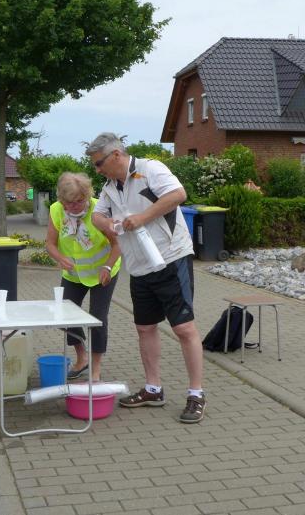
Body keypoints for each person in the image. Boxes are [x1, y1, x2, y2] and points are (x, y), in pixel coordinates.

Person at [87, 132, 206, 424]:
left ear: (116, 155)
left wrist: (142, 217)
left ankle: (196, 394)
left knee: (184, 328)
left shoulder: (150, 169)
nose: (97, 170)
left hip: (171, 257)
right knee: (144, 327)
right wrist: (108, 223)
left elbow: (178, 195)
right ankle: (153, 389)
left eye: (99, 163)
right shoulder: (109, 188)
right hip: (139, 266)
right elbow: (96, 216)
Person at [45, 172, 121, 382]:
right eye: (69, 203)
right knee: (66, 315)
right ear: (62, 200)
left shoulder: (99, 211)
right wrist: (60, 258)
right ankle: (82, 358)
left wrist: (107, 266)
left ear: (87, 196)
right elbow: (50, 244)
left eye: (80, 201)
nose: (75, 206)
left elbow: (118, 244)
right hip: (74, 273)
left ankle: (95, 369)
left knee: (97, 318)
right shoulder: (56, 210)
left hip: (103, 271)